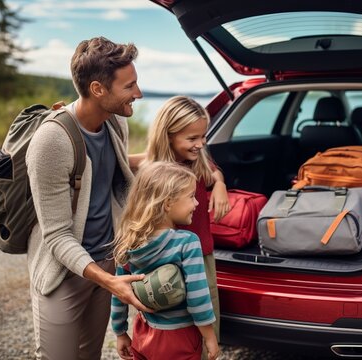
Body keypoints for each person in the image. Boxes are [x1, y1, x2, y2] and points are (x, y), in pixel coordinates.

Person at [26, 36, 152, 360]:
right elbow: (56, 236)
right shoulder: (51, 141)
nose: (138, 93)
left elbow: (115, 177)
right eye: (130, 86)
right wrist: (110, 281)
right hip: (63, 273)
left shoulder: (115, 123)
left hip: (105, 263)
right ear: (98, 89)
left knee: (90, 354)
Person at [130, 95, 229, 347]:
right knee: (168, 328)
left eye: (203, 136)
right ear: (168, 135)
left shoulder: (198, 161)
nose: (200, 144)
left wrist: (219, 184)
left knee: (207, 319)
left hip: (199, 257)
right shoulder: (155, 170)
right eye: (192, 138)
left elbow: (213, 171)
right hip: (161, 261)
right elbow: (123, 161)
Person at [111, 161, 220, 360]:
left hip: (143, 332)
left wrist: (120, 332)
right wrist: (210, 335)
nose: (196, 203)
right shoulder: (187, 242)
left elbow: (120, 293)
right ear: (168, 203)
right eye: (191, 197)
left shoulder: (127, 242)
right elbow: (198, 298)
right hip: (180, 337)